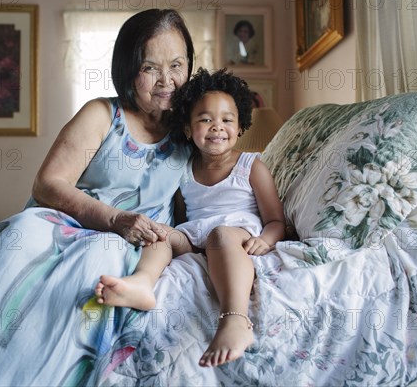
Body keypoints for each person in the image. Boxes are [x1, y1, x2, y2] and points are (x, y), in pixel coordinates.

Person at [0, 9, 195, 386]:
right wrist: (114, 219)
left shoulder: (192, 128)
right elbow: (48, 185)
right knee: (21, 240)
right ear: (128, 69)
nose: (167, 80)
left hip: (129, 243)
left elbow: (202, 202)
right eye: (151, 67)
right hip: (71, 222)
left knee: (97, 262)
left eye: (177, 65)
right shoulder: (103, 114)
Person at [95, 68, 287, 368]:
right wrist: (172, 237)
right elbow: (183, 217)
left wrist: (265, 239)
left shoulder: (251, 166)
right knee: (160, 233)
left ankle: (235, 320)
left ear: (239, 128)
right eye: (205, 119)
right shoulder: (184, 169)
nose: (216, 127)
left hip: (236, 235)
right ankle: (143, 283)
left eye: (227, 120)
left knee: (220, 235)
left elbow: (276, 220)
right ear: (188, 128)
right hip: (197, 237)